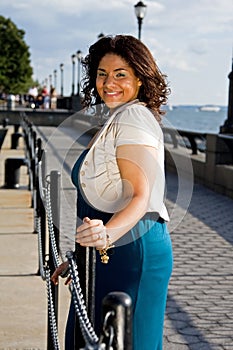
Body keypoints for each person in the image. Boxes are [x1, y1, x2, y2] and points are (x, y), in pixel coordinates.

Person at [51, 34, 173, 350]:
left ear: (141, 79)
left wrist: (105, 235)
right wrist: (83, 254)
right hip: (113, 249)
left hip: (131, 249)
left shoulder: (133, 116)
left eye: (121, 74)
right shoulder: (119, 116)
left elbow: (140, 195)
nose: (109, 83)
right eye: (102, 74)